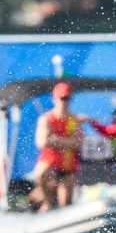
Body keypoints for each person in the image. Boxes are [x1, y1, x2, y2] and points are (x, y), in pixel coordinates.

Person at [29, 81, 83, 212]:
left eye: (67, 98)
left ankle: (50, 198)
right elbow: (41, 142)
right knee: (41, 172)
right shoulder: (46, 119)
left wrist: (55, 140)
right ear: (55, 99)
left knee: (65, 204)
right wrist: (67, 142)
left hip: (68, 165)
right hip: (51, 163)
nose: (65, 102)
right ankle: (47, 200)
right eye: (62, 98)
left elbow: (78, 143)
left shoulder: (74, 119)